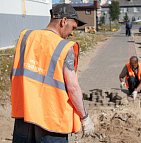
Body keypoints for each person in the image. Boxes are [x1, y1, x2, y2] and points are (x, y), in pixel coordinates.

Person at [10, 4, 94, 143]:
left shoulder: (26, 38)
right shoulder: (64, 48)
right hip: (52, 120)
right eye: (73, 27)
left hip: (24, 114)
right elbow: (73, 88)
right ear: (63, 21)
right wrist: (85, 117)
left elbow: (14, 73)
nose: (72, 33)